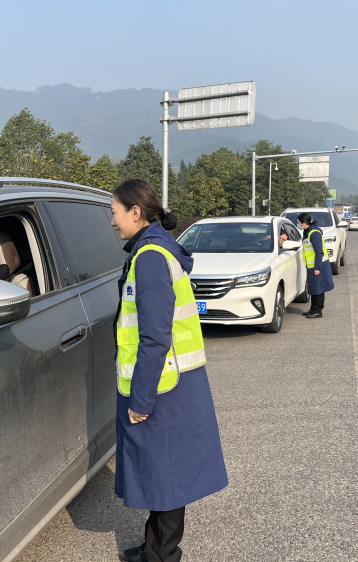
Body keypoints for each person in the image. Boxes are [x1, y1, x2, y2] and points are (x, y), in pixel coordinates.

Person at [110, 179, 228, 562]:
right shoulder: (156, 250)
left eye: (114, 213)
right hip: (171, 382)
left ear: (135, 212)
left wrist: (141, 398)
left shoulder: (149, 258)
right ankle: (154, 547)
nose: (111, 221)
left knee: (166, 475)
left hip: (161, 387)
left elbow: (155, 337)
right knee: (164, 473)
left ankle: (161, 555)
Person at [297, 212, 334, 318]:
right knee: (313, 288)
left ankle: (318, 311)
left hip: (319, 265)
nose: (299, 225)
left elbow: (319, 252)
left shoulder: (314, 233)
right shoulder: (307, 231)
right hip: (312, 265)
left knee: (319, 288)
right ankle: (313, 309)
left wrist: (317, 268)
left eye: (299, 223)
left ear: (304, 223)